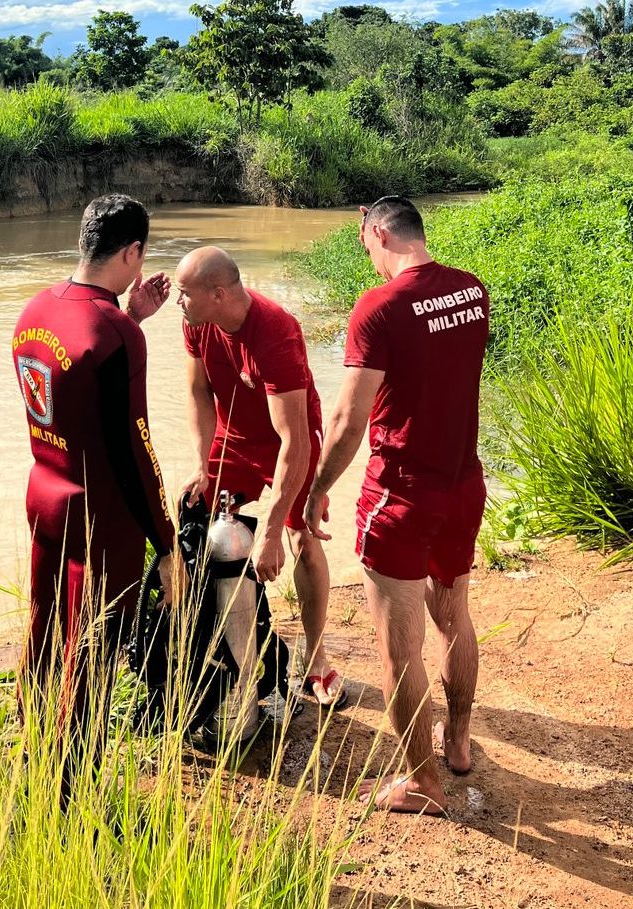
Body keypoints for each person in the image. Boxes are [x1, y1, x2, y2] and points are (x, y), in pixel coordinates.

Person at [304, 196, 489, 814]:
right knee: (455, 616)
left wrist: (315, 489)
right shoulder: (470, 292)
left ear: (378, 231)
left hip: (402, 493)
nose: (368, 256)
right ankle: (458, 746)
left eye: (365, 242)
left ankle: (424, 783)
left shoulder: (377, 308)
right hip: (464, 484)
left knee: (398, 648)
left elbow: (346, 420)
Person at [12, 193, 177, 743]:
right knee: (92, 655)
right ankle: (71, 789)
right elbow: (136, 450)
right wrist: (166, 541)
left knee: (42, 628)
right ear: (133, 252)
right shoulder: (115, 336)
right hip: (99, 520)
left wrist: (129, 314)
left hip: (45, 495)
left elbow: (75, 393)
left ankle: (28, 748)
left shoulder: (35, 310)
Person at [175, 246, 346, 709]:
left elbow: (294, 439)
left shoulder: (275, 332)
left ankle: (316, 655)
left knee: (301, 541)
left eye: (184, 294)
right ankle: (223, 649)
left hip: (288, 444)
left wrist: (271, 528)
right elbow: (198, 393)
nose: (178, 303)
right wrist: (201, 465)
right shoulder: (197, 322)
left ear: (218, 293)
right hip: (232, 439)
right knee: (200, 524)